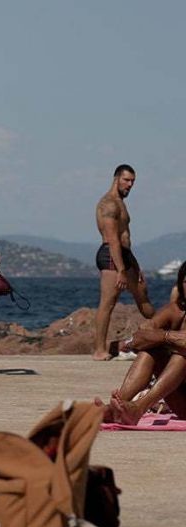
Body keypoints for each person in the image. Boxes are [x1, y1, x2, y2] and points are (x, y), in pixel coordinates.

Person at [100, 261, 186, 425]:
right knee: (151, 351)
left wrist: (164, 336)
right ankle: (119, 406)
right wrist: (163, 338)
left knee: (181, 356)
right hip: (180, 400)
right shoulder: (176, 310)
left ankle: (138, 408)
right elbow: (140, 337)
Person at [93, 164, 155, 360]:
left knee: (142, 295)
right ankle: (99, 350)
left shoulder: (120, 202)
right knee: (108, 303)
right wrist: (121, 270)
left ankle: (165, 334)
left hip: (125, 255)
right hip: (112, 257)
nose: (130, 185)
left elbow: (124, 238)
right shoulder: (108, 204)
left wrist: (134, 265)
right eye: (126, 180)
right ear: (116, 178)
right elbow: (113, 240)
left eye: (132, 182)